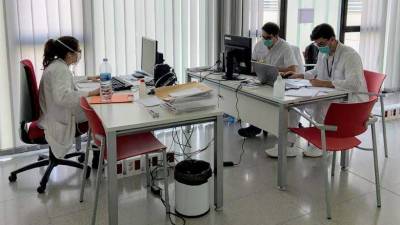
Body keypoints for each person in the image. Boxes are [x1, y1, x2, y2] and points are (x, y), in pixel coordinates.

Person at [285, 23, 368, 157]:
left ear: (332, 39)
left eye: (322, 44)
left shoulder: (350, 55)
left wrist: (325, 83)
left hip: (350, 100)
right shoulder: (324, 54)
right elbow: (317, 71)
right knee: (294, 104)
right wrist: (301, 75)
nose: (320, 48)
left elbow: (355, 84)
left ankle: (322, 144)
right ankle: (289, 143)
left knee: (321, 104)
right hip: (329, 94)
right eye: (317, 45)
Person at [38, 36, 100, 164]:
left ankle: (97, 153)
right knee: (98, 112)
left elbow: (67, 82)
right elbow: (63, 97)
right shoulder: (60, 70)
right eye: (78, 51)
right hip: (60, 117)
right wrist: (91, 93)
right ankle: (98, 158)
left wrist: (88, 78)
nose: (79, 54)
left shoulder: (57, 65)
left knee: (93, 105)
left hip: (52, 112)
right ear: (69, 54)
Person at [238, 22, 298, 139]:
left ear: (276, 36)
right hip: (262, 79)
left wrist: (274, 69)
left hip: (279, 81)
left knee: (266, 100)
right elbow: (253, 63)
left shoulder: (285, 47)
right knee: (252, 96)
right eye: (263, 37)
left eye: (268, 38)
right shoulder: (259, 45)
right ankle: (255, 125)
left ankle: (261, 127)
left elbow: (293, 69)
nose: (265, 40)